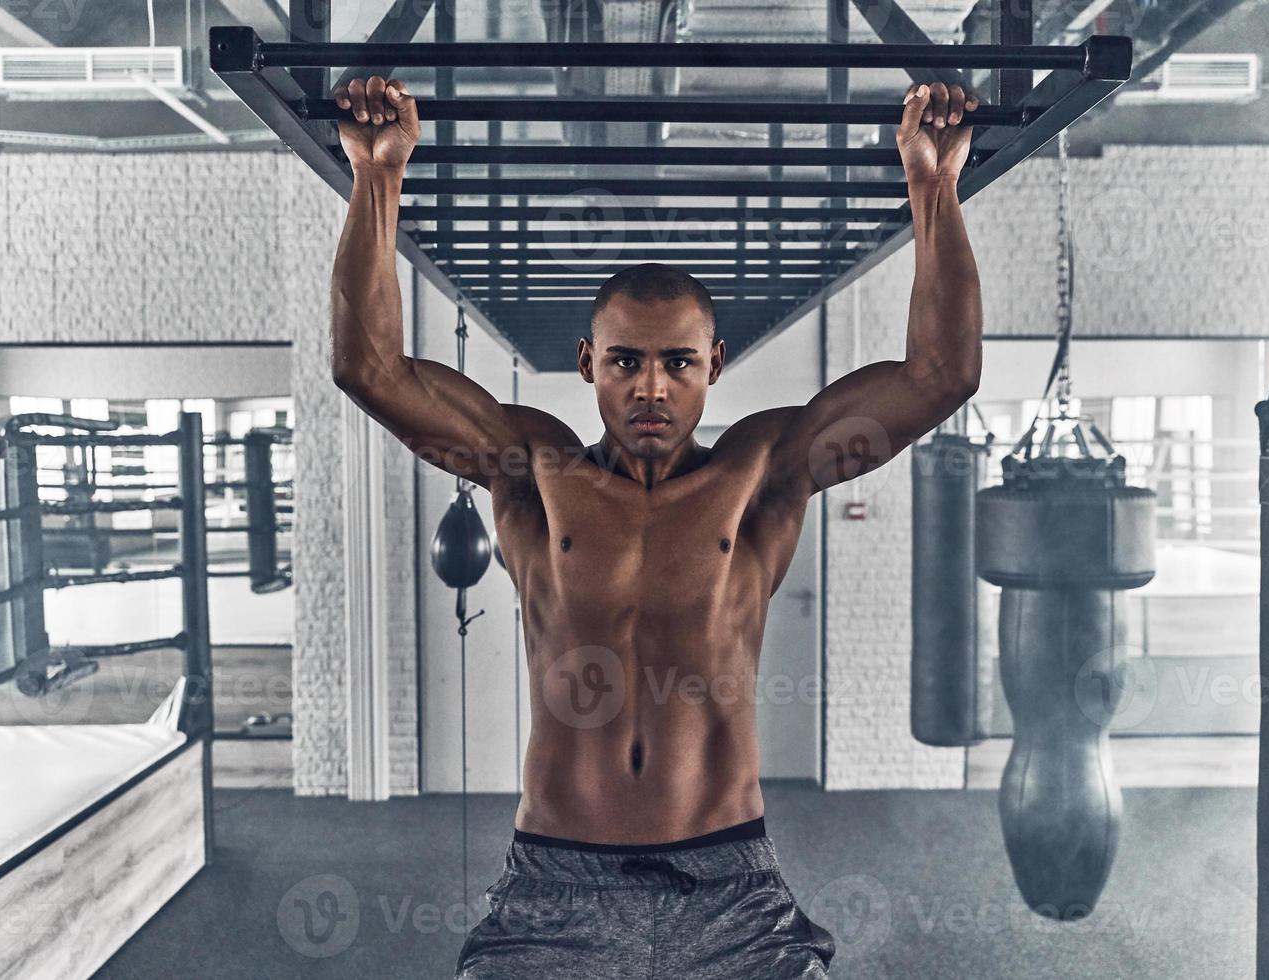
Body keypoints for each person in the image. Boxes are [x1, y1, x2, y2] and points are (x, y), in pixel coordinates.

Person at [330, 73, 982, 979]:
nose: (650, 389)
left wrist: (933, 186)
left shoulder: (763, 473)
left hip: (730, 884)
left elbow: (940, 376)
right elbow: (371, 369)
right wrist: (376, 175)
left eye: (677, 362)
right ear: (587, 361)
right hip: (555, 884)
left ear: (713, 363)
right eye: (626, 362)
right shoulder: (532, 472)